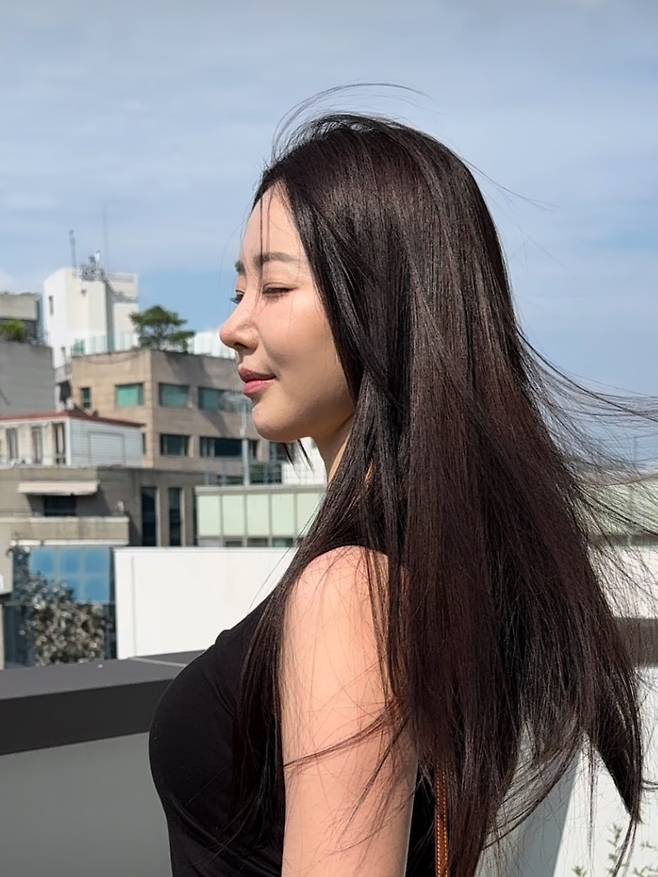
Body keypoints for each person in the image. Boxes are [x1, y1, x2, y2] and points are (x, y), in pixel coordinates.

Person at [149, 96, 658, 877]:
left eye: (274, 289)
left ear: (379, 302)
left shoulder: (353, 590)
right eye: (236, 292)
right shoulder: (476, 560)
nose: (233, 326)